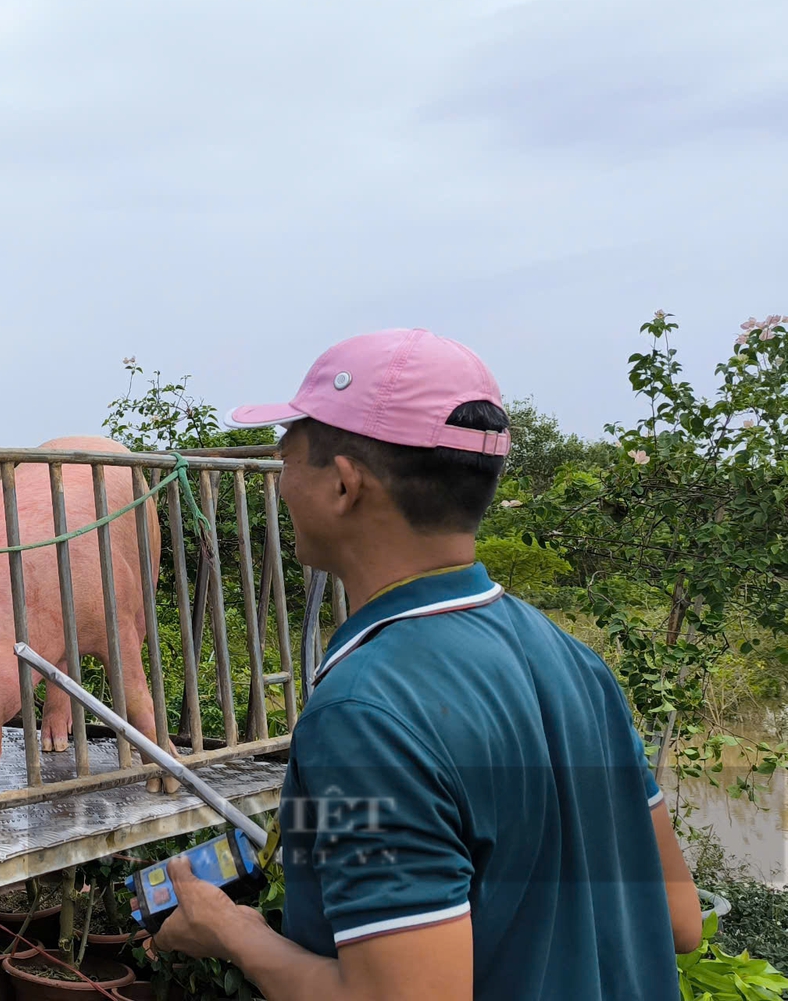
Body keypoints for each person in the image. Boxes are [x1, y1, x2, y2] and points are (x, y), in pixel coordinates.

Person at [148, 329, 701, 1000]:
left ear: (344, 484)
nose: (281, 478)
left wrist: (228, 929)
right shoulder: (578, 665)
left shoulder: (366, 713)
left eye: (286, 453)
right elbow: (677, 920)